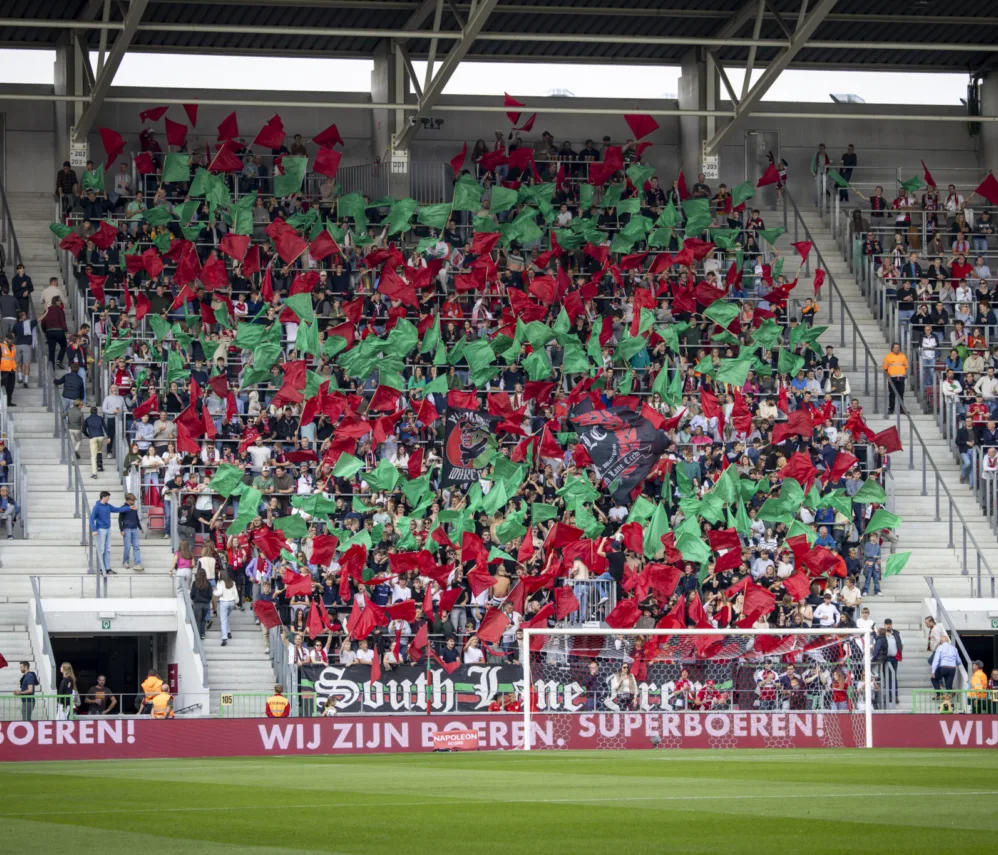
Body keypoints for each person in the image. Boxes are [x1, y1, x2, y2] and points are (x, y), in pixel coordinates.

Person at [88, 491, 128, 574]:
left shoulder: (108, 506)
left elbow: (117, 509)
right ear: (104, 497)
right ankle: (100, 568)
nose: (109, 499)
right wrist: (94, 530)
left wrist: (129, 508)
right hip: (101, 530)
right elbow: (91, 519)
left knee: (108, 549)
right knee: (101, 549)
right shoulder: (97, 507)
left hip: (108, 529)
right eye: (108, 497)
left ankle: (107, 568)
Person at [882, 342, 909, 416]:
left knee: (901, 394)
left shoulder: (903, 356)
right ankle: (891, 409)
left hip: (901, 377)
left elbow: (906, 366)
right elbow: (885, 368)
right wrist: (888, 377)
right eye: (896, 347)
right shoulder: (888, 357)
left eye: (898, 347)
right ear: (892, 349)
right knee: (892, 394)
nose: (898, 348)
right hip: (892, 378)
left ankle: (902, 409)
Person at [82, 406, 109, 477]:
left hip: (92, 437)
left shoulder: (87, 419)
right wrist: (108, 436)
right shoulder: (100, 418)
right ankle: (100, 466)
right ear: (97, 411)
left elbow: (83, 429)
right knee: (99, 450)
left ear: (90, 411)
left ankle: (94, 473)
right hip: (101, 436)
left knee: (93, 456)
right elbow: (105, 427)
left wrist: (88, 435)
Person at [119, 492, 143, 571]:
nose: (134, 502)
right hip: (126, 529)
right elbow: (120, 519)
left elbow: (136, 518)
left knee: (136, 546)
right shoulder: (123, 508)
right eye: (132, 500)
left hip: (134, 528)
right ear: (128, 500)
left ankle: (137, 563)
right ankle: (125, 561)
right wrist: (121, 529)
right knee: (127, 547)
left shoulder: (134, 507)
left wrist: (140, 528)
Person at [189, 567, 213, 639]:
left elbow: (192, 594)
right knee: (203, 620)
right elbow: (210, 595)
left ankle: (197, 635)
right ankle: (202, 634)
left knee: (197, 620)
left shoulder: (195, 583)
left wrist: (194, 599)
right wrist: (207, 600)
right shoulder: (208, 584)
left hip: (197, 604)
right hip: (206, 604)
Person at [0, 332, 16, 406]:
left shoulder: (13, 346)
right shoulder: (1, 346)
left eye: (11, 339)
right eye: (9, 339)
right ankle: (3, 402)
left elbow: (12, 358)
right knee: (4, 387)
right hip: (4, 370)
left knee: (11, 387)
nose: (11, 340)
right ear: (6, 338)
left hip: (12, 369)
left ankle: (8, 401)